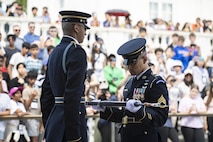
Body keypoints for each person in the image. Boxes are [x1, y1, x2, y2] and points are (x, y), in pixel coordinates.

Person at [99, 38, 169, 142]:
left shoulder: (155, 82)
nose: (129, 67)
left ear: (144, 59)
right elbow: (124, 114)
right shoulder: (130, 83)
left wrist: (140, 111)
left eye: (133, 63)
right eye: (127, 63)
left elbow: (160, 117)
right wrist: (103, 108)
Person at [40, 10, 91, 142]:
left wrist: (49, 123)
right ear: (76, 28)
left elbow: (46, 94)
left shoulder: (55, 52)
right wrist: (74, 134)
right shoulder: (77, 52)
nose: (85, 33)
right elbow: (73, 95)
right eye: (84, 28)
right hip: (70, 127)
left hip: (55, 124)